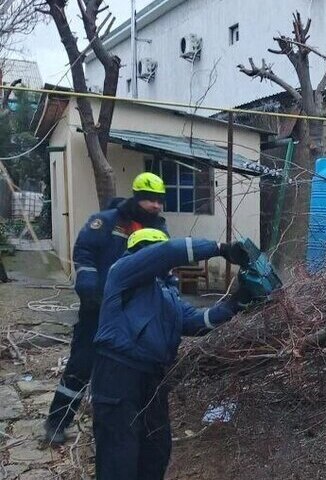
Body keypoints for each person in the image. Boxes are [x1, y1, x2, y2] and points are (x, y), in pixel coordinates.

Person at [91, 228, 250, 480]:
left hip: (154, 378)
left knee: (155, 452)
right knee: (118, 456)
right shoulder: (122, 271)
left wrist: (236, 302)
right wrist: (220, 248)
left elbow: (199, 322)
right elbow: (167, 252)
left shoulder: (168, 295)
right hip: (118, 374)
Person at [45, 173, 168, 444]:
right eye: (150, 199)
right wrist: (88, 283)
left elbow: (165, 263)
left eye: (160, 201)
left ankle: (118, 428)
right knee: (81, 365)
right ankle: (57, 422)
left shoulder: (159, 229)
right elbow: (85, 251)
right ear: (137, 197)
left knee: (127, 372)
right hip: (97, 309)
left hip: (133, 316)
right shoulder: (108, 221)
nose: (156, 206)